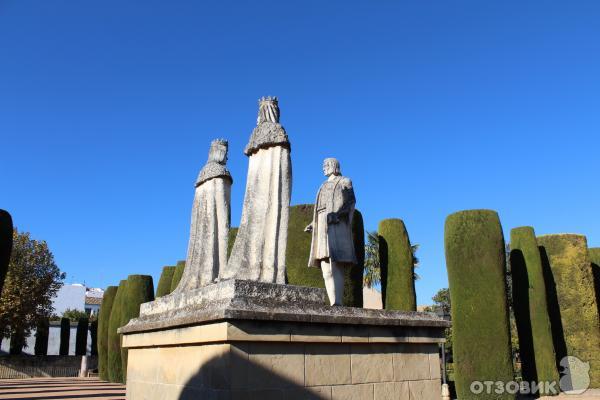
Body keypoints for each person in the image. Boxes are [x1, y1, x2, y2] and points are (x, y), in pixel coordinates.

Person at [306, 158, 357, 305]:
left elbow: (350, 202)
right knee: (325, 267)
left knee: (336, 263)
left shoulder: (344, 181)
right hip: (322, 223)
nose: (324, 168)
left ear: (334, 166)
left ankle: (338, 302)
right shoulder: (322, 186)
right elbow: (320, 209)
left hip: (336, 223)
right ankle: (332, 302)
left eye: (326, 165)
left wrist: (339, 214)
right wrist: (313, 224)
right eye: (323, 166)